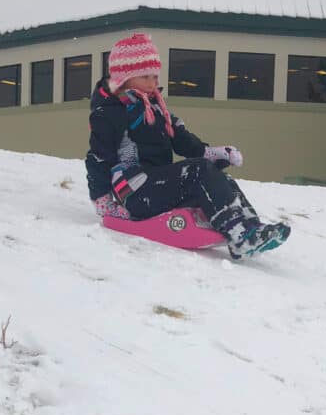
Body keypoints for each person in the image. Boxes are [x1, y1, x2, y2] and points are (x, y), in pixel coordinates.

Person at [85, 33, 290, 260]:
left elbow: (181, 139)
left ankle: (250, 228)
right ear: (124, 78)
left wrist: (212, 155)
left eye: (155, 76)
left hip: (155, 183)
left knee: (220, 179)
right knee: (197, 172)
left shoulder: (154, 105)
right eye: (145, 76)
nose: (153, 83)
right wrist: (102, 200)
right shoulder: (110, 113)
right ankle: (239, 235)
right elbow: (98, 157)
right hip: (133, 191)